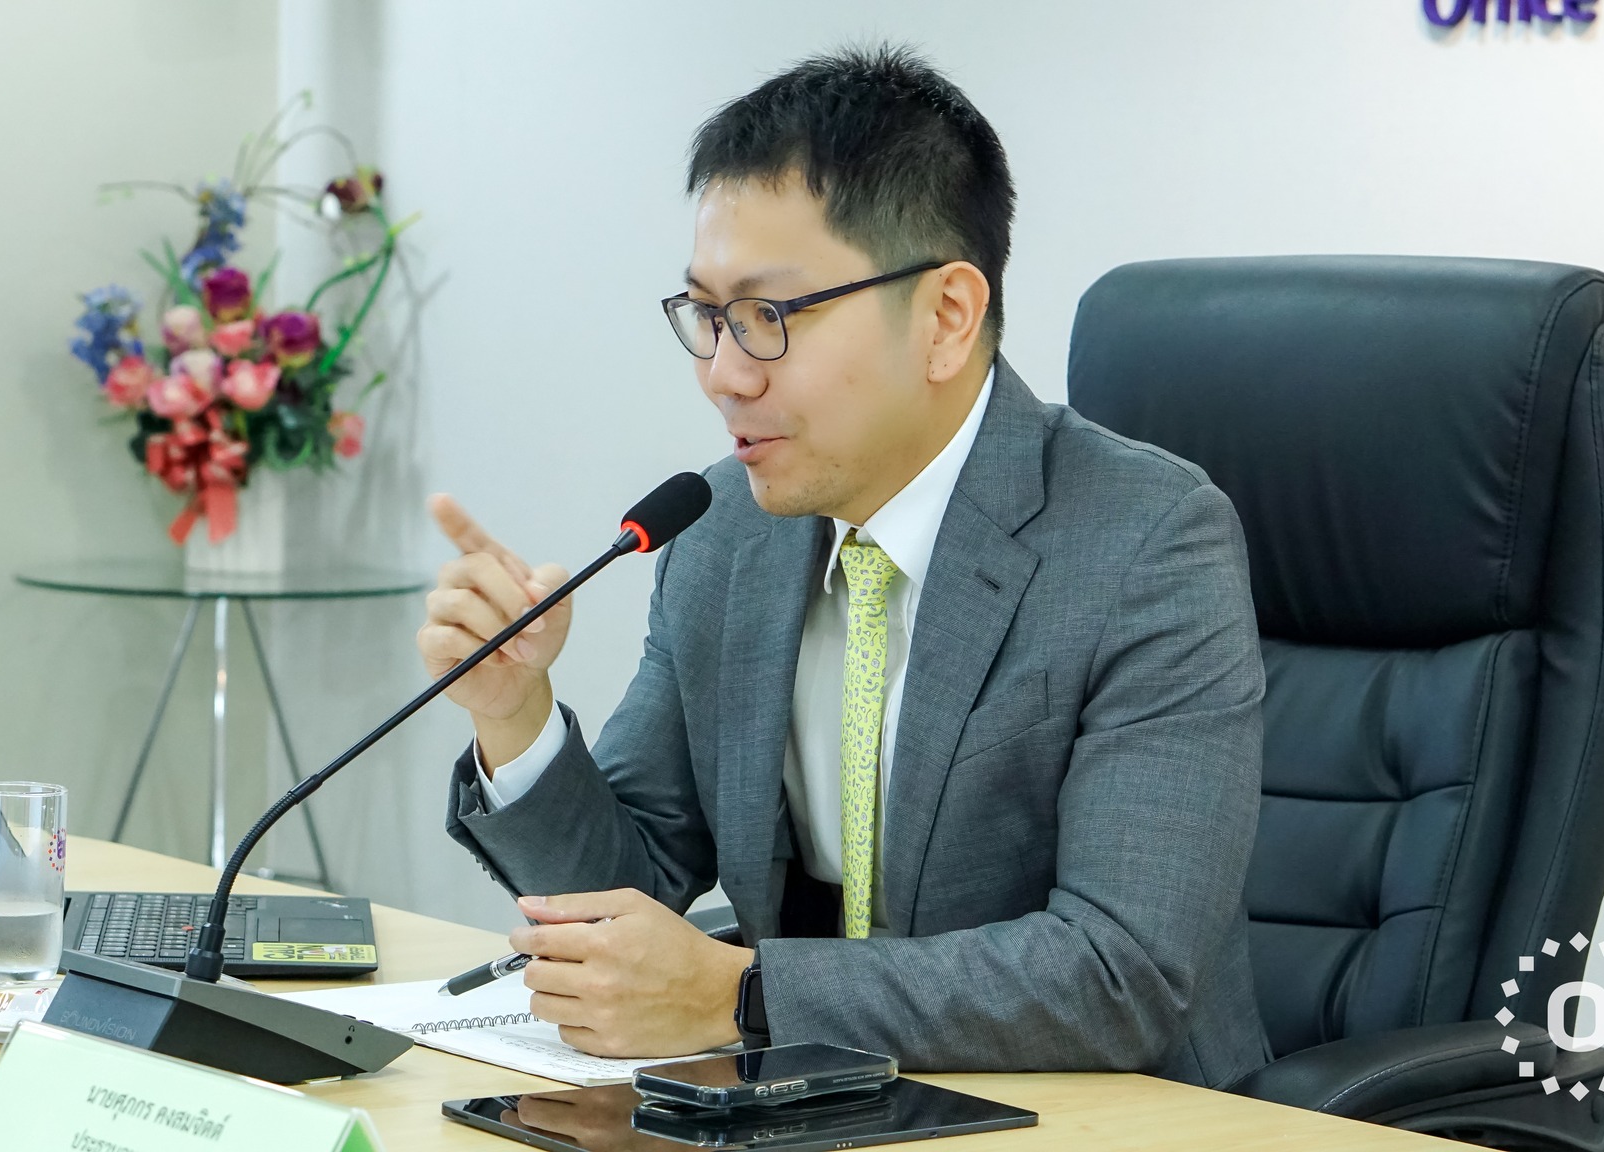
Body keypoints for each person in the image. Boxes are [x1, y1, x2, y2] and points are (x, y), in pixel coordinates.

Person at [419, 44, 1270, 1089]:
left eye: (769, 318)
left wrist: (743, 995)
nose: (723, 375)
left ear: (946, 318)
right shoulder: (726, 528)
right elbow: (630, 889)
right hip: (817, 1106)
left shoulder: (1145, 541)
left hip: (1113, 1118)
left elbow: (1121, 971)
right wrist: (515, 715)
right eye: (707, 316)